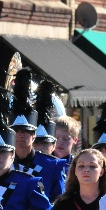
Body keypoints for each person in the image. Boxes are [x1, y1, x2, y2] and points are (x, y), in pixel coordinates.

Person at [10, 69, 67, 202]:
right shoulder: (0, 162)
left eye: (25, 132)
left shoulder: (53, 165)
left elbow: (60, 201)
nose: (20, 136)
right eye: (16, 131)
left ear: (33, 135)